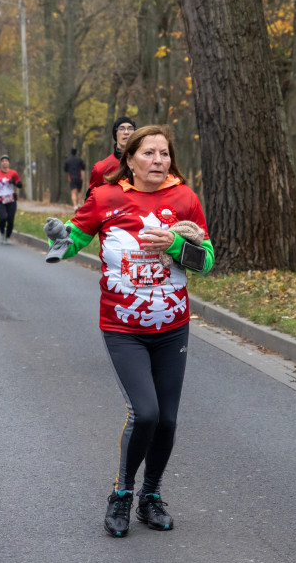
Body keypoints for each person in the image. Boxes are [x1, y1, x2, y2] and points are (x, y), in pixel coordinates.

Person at [44, 125, 215, 538]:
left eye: (164, 154)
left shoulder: (185, 199)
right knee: (147, 414)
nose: (158, 160)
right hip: (123, 328)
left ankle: (150, 498)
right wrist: (60, 240)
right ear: (131, 159)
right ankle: (122, 493)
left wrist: (174, 246)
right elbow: (76, 238)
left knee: (169, 421)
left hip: (173, 327)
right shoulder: (106, 197)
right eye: (149, 153)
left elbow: (206, 260)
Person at [87, 116, 135, 199]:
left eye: (130, 128)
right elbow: (91, 200)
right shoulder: (101, 168)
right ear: (115, 134)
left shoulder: (144, 164)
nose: (126, 132)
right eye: (121, 128)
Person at [0, 154, 22, 244]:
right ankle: (2, 233)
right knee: (3, 218)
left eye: (6, 161)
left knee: (10, 219)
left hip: (11, 199)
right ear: (1, 163)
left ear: (9, 163)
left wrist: (14, 182)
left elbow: (20, 185)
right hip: (0, 199)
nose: (4, 162)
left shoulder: (13, 173)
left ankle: (8, 237)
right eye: (3, 161)